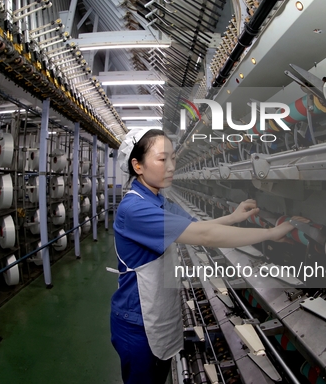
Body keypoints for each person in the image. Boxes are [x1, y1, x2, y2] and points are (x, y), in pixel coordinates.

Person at [109, 129, 306, 384]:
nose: (170, 167)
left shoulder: (158, 200)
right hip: (137, 322)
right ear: (137, 165)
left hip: (154, 313)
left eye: (173, 158)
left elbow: (196, 226)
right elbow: (205, 236)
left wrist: (234, 217)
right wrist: (269, 233)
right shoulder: (135, 209)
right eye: (161, 159)